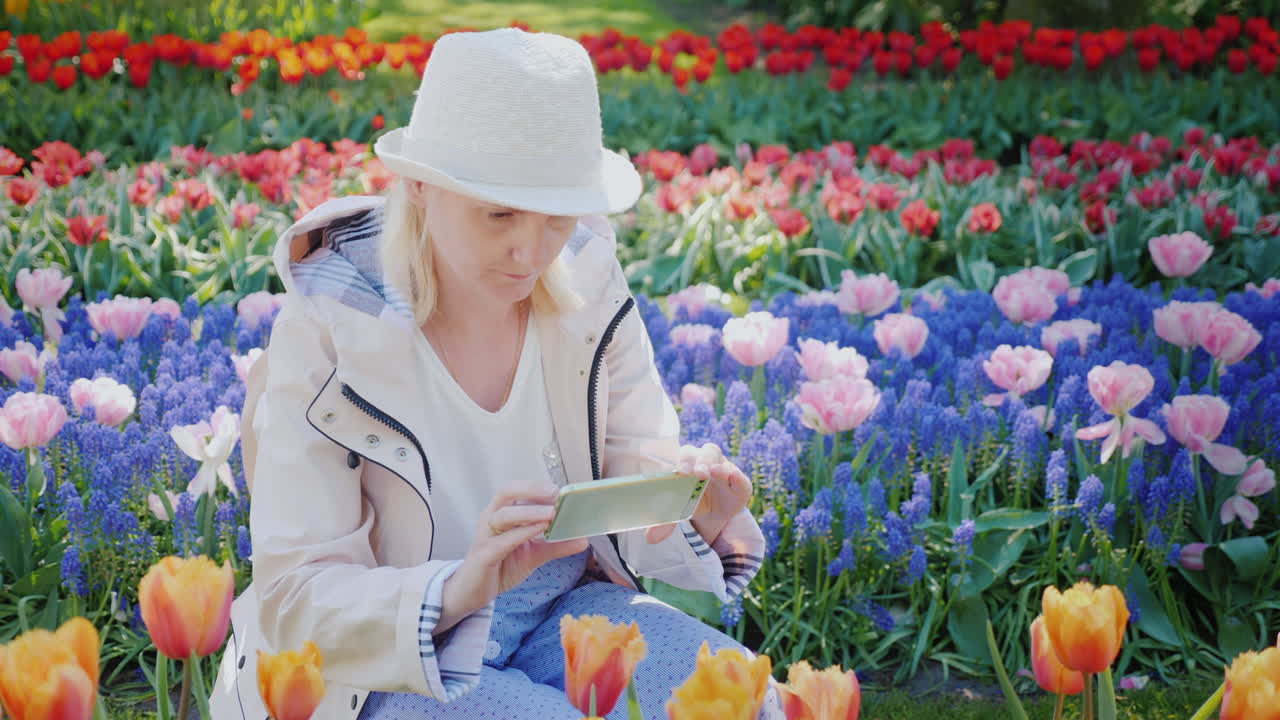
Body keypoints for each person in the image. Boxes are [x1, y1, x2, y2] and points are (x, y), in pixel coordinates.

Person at [208, 27, 777, 720]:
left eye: (555, 218)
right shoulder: (330, 325)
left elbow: (631, 466)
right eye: (499, 213)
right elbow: (298, 596)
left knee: (751, 701)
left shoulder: (588, 280)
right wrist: (460, 587)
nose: (529, 251)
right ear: (419, 184)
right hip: (391, 661)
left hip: (561, 607)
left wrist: (690, 513)